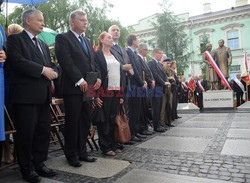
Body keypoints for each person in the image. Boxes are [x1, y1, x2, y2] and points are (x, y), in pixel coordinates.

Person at [7, 9, 57, 182]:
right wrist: (43, 70)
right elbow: (17, 61)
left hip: (43, 96)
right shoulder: (15, 40)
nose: (43, 23)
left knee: (43, 131)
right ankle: (26, 168)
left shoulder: (42, 43)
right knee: (26, 134)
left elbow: (49, 65)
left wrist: (53, 72)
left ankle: (40, 163)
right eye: (40, 20)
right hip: (25, 97)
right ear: (28, 21)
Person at [55, 10, 100, 167]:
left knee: (85, 121)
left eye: (86, 20)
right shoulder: (63, 38)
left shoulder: (87, 40)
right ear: (72, 22)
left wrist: (97, 78)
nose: (85, 22)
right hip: (74, 87)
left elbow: (92, 63)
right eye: (81, 20)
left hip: (89, 87)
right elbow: (66, 61)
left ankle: (82, 151)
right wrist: (79, 80)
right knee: (73, 122)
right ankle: (71, 154)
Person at [94, 32, 125, 156]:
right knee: (104, 119)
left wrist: (121, 94)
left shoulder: (115, 55)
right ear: (101, 40)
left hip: (116, 90)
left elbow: (121, 74)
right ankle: (105, 146)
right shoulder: (97, 55)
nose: (111, 39)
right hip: (104, 90)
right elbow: (94, 74)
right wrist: (95, 95)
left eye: (112, 38)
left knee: (113, 118)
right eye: (108, 37)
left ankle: (114, 143)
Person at [126, 34, 146, 142]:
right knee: (133, 110)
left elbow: (140, 69)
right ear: (133, 41)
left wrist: (143, 82)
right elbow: (133, 70)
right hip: (133, 85)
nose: (138, 42)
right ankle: (131, 133)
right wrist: (141, 82)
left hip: (138, 84)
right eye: (137, 40)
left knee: (137, 109)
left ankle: (136, 131)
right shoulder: (128, 52)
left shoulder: (134, 53)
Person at [148, 48, 170, 132]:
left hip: (160, 89)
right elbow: (155, 75)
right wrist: (164, 83)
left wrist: (166, 81)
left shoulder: (159, 64)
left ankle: (159, 124)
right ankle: (156, 126)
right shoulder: (151, 63)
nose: (162, 55)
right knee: (156, 108)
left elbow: (163, 75)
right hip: (155, 89)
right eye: (160, 53)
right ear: (155, 54)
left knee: (159, 107)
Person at [137, 43, 154, 135]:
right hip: (142, 85)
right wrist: (150, 81)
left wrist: (152, 80)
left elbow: (148, 72)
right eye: (146, 50)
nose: (147, 51)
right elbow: (143, 73)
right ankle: (142, 128)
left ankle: (145, 127)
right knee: (142, 108)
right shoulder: (138, 58)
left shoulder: (144, 59)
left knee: (146, 107)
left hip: (147, 86)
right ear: (141, 50)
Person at [161, 57, 174, 128]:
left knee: (169, 106)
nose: (169, 65)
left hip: (169, 90)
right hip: (163, 90)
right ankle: (162, 122)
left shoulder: (170, 70)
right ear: (163, 63)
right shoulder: (162, 69)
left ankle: (168, 121)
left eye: (170, 63)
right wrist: (170, 78)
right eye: (167, 63)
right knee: (163, 108)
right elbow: (162, 78)